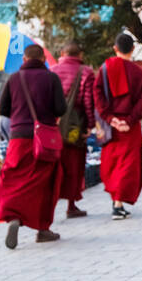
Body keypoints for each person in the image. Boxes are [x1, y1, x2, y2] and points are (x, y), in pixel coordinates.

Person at [0, 44, 67, 248]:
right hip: (44, 139)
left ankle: (14, 216)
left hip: (18, 138)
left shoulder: (14, 78)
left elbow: (3, 108)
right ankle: (43, 229)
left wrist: (20, 118)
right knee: (45, 183)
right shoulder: (51, 78)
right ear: (43, 60)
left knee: (13, 178)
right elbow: (60, 108)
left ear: (24, 60)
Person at [94, 32, 142, 219]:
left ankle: (116, 202)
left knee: (113, 164)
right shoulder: (140, 74)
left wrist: (110, 118)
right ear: (133, 49)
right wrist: (129, 120)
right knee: (127, 165)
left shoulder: (104, 69)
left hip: (112, 127)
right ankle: (117, 205)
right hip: (130, 127)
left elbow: (98, 96)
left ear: (115, 49)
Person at [53, 41, 96, 219]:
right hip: (75, 126)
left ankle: (51, 204)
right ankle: (71, 205)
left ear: (62, 53)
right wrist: (90, 125)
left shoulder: (52, 70)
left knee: (56, 166)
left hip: (54, 125)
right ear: (80, 55)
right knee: (74, 166)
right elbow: (88, 102)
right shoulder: (85, 72)